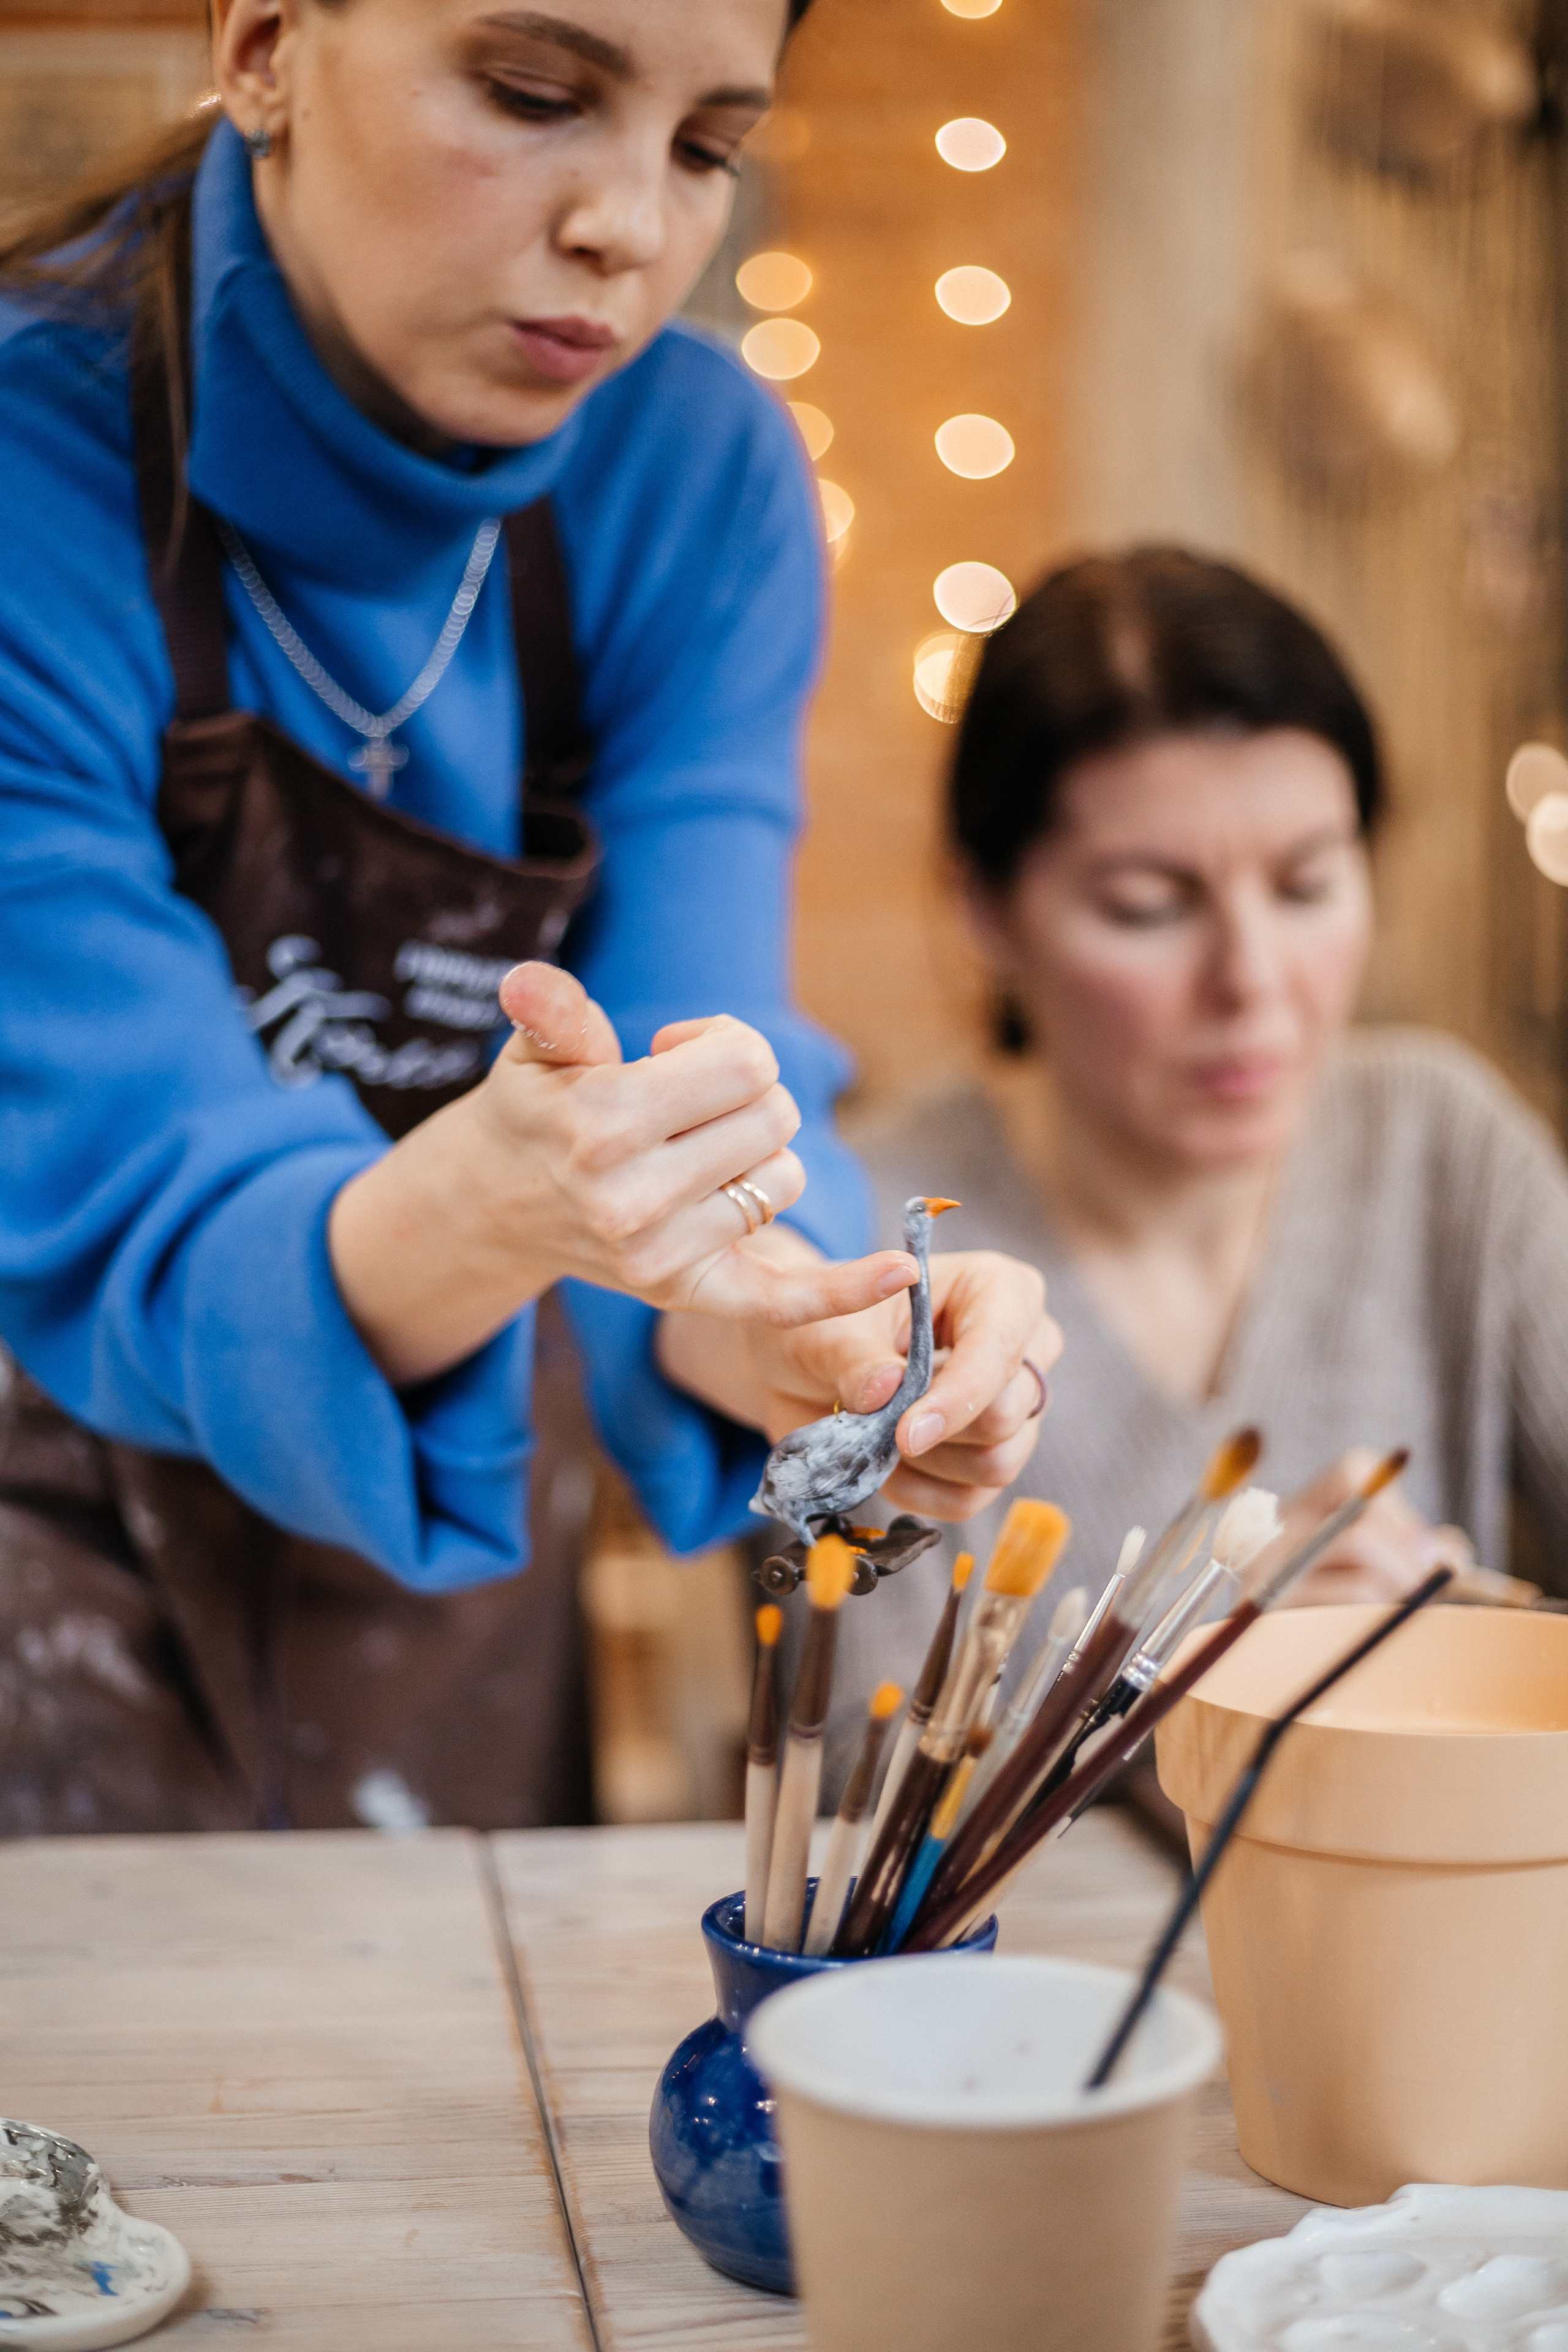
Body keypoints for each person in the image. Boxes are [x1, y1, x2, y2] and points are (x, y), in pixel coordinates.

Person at [0, 0, 1057, 1836]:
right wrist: (493, 1208)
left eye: (706, 146)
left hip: (452, 1549)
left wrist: (807, 1326)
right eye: (532, 93)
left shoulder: (694, 477)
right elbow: (125, 1179)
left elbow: (701, 1048)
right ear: (262, 40)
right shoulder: (36, 461)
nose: (628, 228)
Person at [833, 545, 1568, 1775]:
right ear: (985, 910)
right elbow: (864, 1795)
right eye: (1148, 906)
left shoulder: (1444, 1148)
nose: (1251, 981)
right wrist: (1197, 1689)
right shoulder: (879, 1234)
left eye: (1307, 885)